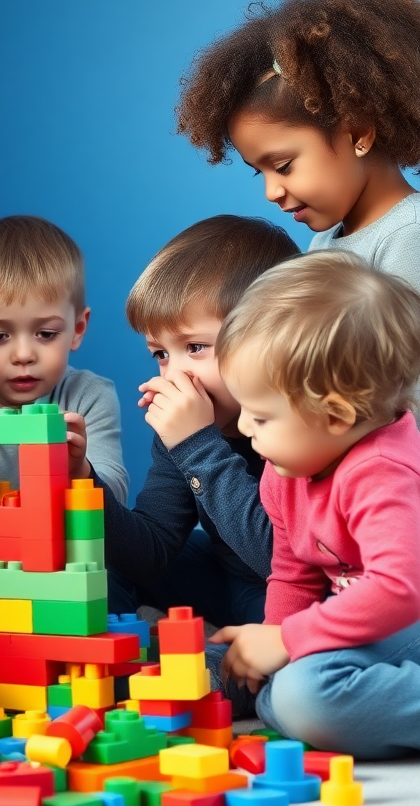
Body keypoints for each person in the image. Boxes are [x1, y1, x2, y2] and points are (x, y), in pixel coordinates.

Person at [177, 0, 420, 498]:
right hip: (352, 499)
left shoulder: (412, 237)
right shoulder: (331, 240)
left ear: (359, 132)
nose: (272, 192)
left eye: (283, 165)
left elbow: (414, 411)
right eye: (261, 173)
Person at [212, 251, 420, 759]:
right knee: (278, 689)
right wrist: (276, 641)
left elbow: (399, 592)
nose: (244, 428)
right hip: (384, 610)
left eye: (261, 416)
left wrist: (290, 641)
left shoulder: (384, 472)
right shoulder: (286, 469)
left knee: (305, 698)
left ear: (335, 416)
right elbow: (293, 572)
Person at [104, 216, 299, 627]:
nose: (174, 376)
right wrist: (79, 480)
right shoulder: (183, 429)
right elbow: (150, 551)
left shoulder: (304, 429)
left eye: (195, 347)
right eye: (160, 354)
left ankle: (218, 658)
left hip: (284, 592)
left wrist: (197, 445)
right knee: (95, 560)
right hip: (221, 576)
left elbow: (281, 562)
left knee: (293, 630)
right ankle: (128, 650)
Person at [0, 215, 128, 504]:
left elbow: (116, 499)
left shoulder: (87, 396)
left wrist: (79, 470)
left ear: (77, 329)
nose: (23, 355)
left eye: (46, 333)